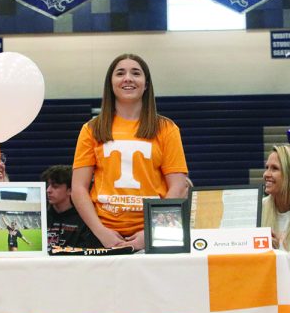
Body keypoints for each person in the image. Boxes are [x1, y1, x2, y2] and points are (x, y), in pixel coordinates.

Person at [72, 54, 189, 250]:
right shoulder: (92, 129)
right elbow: (78, 189)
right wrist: (101, 232)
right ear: (110, 84)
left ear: (146, 84)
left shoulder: (166, 129)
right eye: (120, 73)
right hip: (102, 234)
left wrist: (152, 230)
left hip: (155, 234)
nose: (128, 78)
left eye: (136, 73)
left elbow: (178, 187)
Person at [41, 165, 96, 249]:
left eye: (55, 186)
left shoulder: (85, 219)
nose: (48, 190)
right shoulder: (42, 215)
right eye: (48, 186)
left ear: (70, 190)